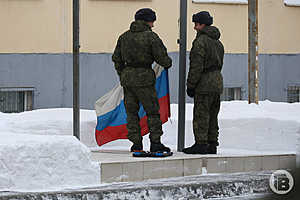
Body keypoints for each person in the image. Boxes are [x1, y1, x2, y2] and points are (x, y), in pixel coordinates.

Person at [112, 8, 172, 153]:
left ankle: (136, 144)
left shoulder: (124, 37)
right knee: (152, 112)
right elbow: (164, 60)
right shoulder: (151, 37)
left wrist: (124, 74)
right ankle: (155, 143)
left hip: (128, 80)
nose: (153, 25)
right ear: (148, 21)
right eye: (152, 21)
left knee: (132, 113)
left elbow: (116, 59)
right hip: (145, 79)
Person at [183, 11, 224, 154]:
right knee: (213, 115)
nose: (195, 27)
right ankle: (212, 144)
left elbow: (196, 66)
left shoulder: (200, 41)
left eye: (197, 24)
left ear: (203, 24)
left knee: (201, 114)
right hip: (217, 82)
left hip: (204, 83)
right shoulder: (218, 42)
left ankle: (200, 144)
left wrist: (191, 85)